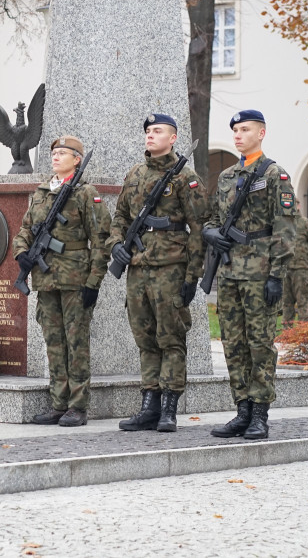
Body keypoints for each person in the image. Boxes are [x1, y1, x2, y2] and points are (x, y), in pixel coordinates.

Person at [108, 114, 209, 433]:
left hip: (171, 268)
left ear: (173, 137)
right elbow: (120, 217)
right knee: (146, 339)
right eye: (148, 131)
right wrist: (115, 247)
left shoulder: (185, 178)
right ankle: (148, 406)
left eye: (158, 131)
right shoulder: (135, 173)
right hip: (137, 269)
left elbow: (199, 228)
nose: (151, 135)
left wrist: (192, 276)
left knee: (171, 339)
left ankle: (169, 408)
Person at [205, 110, 296, 440]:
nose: (238, 135)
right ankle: (242, 411)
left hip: (260, 273)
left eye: (245, 129)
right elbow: (213, 218)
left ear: (262, 133)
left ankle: (260, 414)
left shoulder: (274, 175)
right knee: (234, 345)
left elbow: (286, 228)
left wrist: (277, 274)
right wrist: (210, 233)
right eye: (235, 130)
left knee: (259, 345)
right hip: (230, 273)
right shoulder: (228, 176)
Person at [12, 136, 110, 427]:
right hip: (45, 280)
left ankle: (77, 406)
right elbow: (25, 230)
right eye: (54, 152)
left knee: (76, 342)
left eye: (63, 153)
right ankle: (58, 403)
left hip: (75, 279)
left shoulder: (84, 193)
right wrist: (21, 254)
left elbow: (100, 241)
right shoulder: (42, 192)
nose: (56, 157)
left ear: (77, 159)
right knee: (54, 342)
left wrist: (93, 282)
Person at [282, 200, 308, 327]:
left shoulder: (305, 223)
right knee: (286, 303)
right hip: (285, 268)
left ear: (298, 206)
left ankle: (302, 332)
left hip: (301, 269)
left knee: (302, 302)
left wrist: (307, 259)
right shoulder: (283, 223)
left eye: (294, 204)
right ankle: (287, 333)